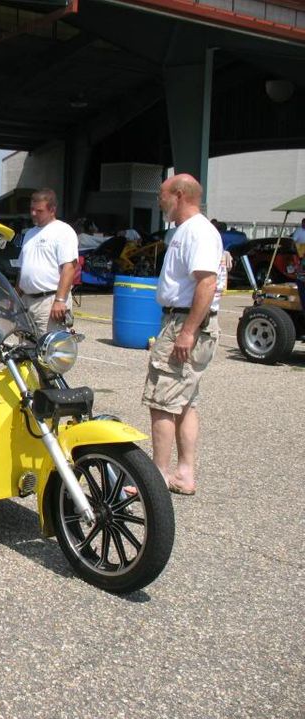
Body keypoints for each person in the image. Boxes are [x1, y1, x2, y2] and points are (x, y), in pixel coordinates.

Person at [142, 173, 223, 496]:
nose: (159, 201)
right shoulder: (185, 231)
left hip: (185, 323)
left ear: (178, 195)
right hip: (183, 321)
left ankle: (157, 479)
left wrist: (187, 332)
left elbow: (206, 282)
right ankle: (184, 473)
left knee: (161, 401)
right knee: (186, 403)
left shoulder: (198, 232)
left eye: (162, 195)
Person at [16, 188, 78, 332]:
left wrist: (60, 300)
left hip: (49, 302)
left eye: (39, 211)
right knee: (26, 349)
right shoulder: (29, 234)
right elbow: (22, 269)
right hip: (26, 302)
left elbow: (69, 268)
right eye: (32, 209)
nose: (33, 214)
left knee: (50, 350)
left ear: (52, 210)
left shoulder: (63, 231)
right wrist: (16, 296)